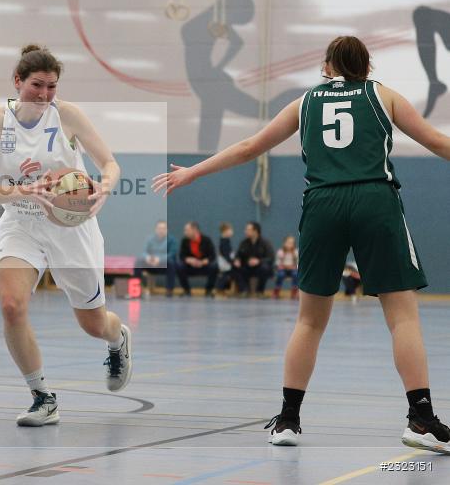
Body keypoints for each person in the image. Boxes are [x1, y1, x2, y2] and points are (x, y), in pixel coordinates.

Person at [154, 35, 450, 453]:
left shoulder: (305, 101)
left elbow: (248, 147)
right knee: (403, 317)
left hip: (322, 203)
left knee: (309, 320)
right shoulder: (383, 96)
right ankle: (420, 418)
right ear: (367, 68)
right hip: (374, 199)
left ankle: (288, 420)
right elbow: (437, 142)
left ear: (327, 66)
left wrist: (193, 173)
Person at [0, 43, 132, 427]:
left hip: (71, 227)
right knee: (11, 306)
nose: (43, 94)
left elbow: (109, 163)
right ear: (17, 81)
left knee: (93, 324)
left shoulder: (67, 115)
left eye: (51, 86)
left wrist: (105, 187)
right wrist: (25, 191)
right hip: (21, 221)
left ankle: (116, 337)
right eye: (36, 85)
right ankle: (43, 397)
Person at [176, 221, 217, 298]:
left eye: (187, 230)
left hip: (203, 266)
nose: (185, 232)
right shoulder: (184, 241)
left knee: (214, 266)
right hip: (190, 267)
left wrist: (203, 262)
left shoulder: (207, 240)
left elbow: (213, 256)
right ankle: (186, 290)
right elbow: (182, 256)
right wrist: (189, 260)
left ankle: (208, 291)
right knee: (179, 266)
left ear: (194, 230)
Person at [234, 221, 275, 298]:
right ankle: (244, 290)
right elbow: (238, 255)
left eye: (248, 229)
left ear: (255, 231)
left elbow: (271, 258)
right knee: (235, 268)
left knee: (265, 268)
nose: (245, 231)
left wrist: (258, 261)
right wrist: (237, 260)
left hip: (260, 268)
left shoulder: (265, 243)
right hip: (247, 267)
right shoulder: (244, 243)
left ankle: (260, 291)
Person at [134, 220, 176, 292]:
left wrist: (159, 259)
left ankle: (169, 290)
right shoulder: (149, 239)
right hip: (150, 263)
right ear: (156, 229)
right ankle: (136, 288)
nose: (161, 230)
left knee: (171, 263)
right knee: (138, 261)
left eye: (163, 228)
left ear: (167, 230)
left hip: (163, 264)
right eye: (159, 228)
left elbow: (172, 254)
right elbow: (143, 252)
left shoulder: (172, 240)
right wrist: (148, 258)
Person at [274, 235, 300, 300]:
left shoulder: (296, 252)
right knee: (280, 275)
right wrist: (280, 266)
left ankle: (294, 291)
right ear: (284, 243)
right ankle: (276, 291)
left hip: (292, 269)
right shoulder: (281, 252)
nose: (289, 245)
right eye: (288, 243)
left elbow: (298, 263)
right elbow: (277, 262)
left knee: (295, 274)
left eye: (291, 243)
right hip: (283, 269)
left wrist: (294, 266)